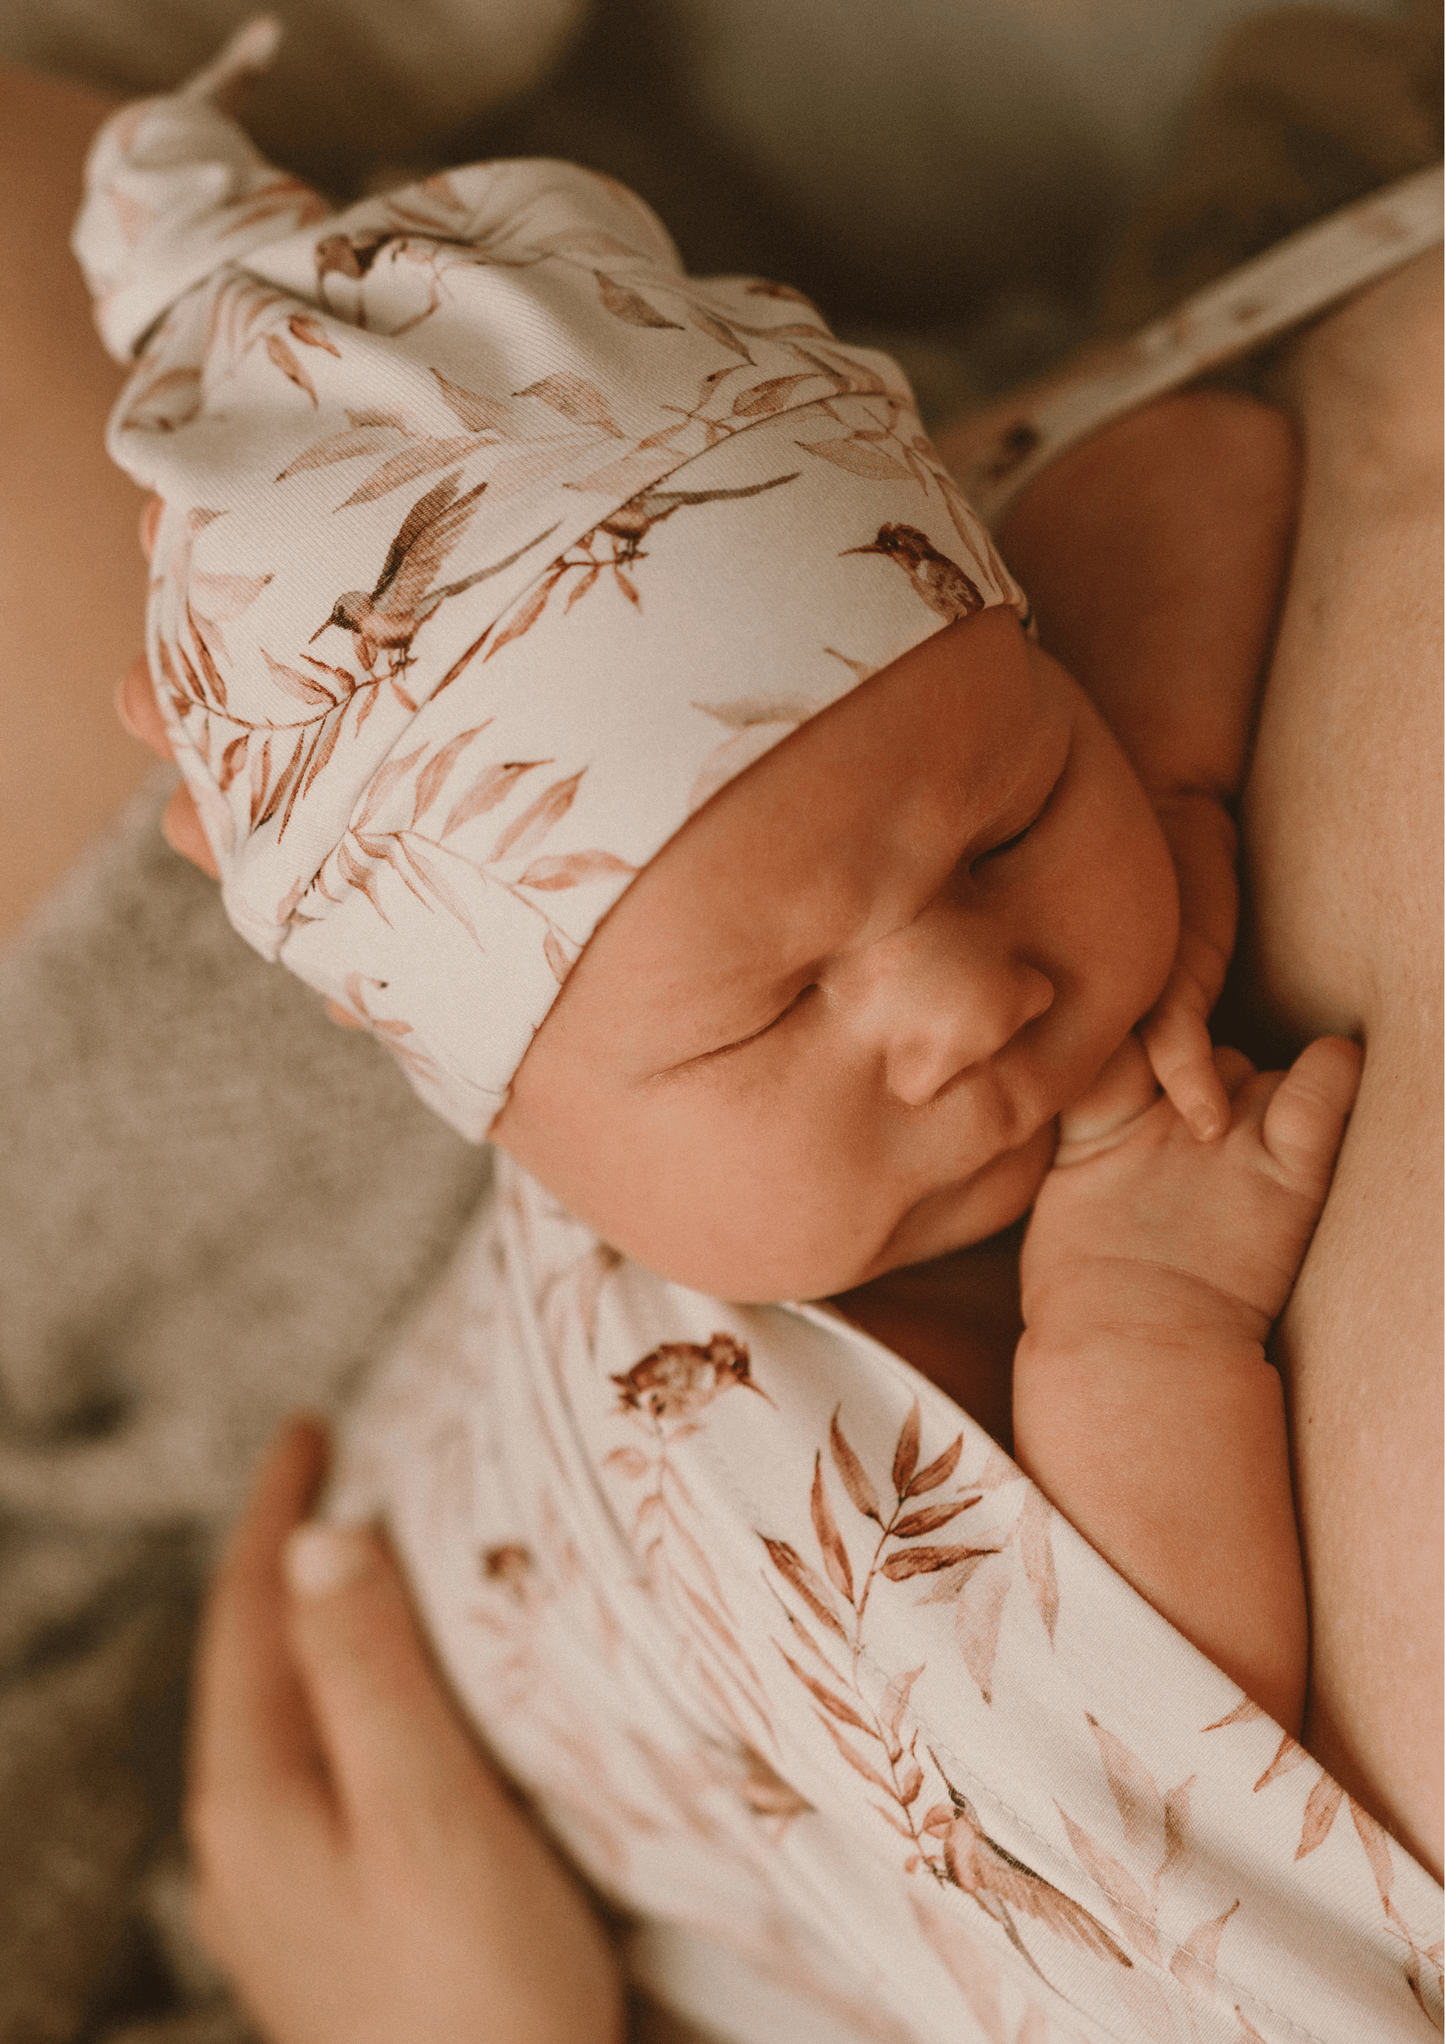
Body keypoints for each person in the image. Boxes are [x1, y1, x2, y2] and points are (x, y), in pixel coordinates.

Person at [5, 23, 1437, 2044]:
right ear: (496, 1106)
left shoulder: (929, 809)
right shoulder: (826, 1321)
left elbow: (1193, 456)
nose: (965, 998)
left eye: (1005, 818)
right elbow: (1128, 1699)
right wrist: (1137, 1316)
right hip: (545, 1778)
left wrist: (1169, 778)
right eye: (776, 998)